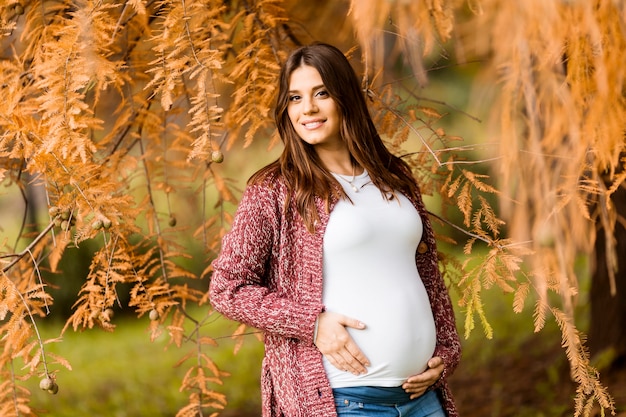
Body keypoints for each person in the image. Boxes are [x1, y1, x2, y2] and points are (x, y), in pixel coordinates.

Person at [209, 42, 461, 417]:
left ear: (346, 98)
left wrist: (445, 351)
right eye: (295, 97)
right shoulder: (275, 190)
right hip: (343, 401)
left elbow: (427, 278)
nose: (307, 108)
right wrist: (312, 324)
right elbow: (227, 289)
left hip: (422, 400)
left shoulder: (395, 177)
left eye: (321, 93)